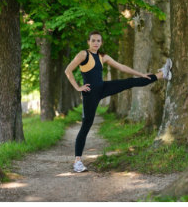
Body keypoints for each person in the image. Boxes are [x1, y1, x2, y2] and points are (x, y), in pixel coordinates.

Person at [65, 31, 172, 173]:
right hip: (89, 94)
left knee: (129, 82)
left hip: (103, 88)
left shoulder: (103, 57)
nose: (96, 43)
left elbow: (122, 67)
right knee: (86, 125)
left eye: (98, 41)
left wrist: (141, 74)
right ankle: (77, 161)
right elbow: (68, 70)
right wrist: (78, 87)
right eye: (93, 40)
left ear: (101, 43)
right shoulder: (83, 54)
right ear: (88, 42)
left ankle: (162, 74)